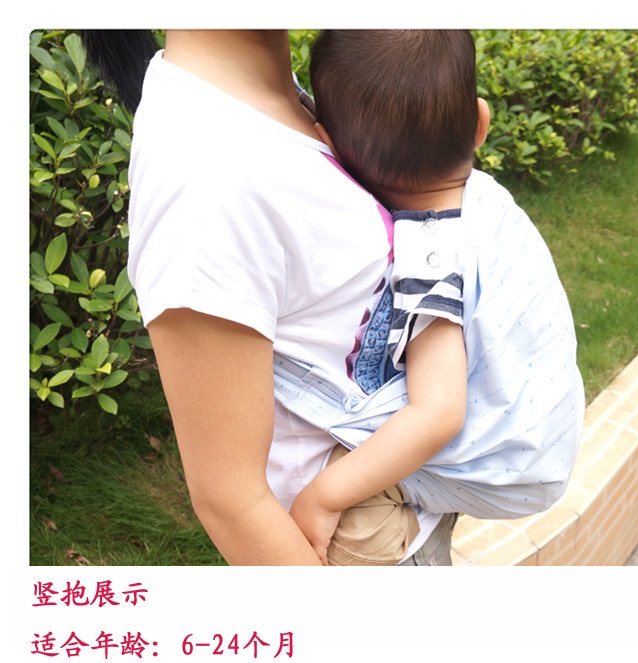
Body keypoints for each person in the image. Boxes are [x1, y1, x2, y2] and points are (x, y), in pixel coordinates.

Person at [80, 29, 453, 565]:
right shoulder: (205, 179)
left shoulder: (265, 87)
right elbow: (232, 501)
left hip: (400, 513)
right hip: (357, 550)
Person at [284, 30, 585, 565]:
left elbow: (439, 411)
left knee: (355, 518)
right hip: (548, 427)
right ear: (480, 123)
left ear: (329, 147)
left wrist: (323, 496)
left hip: (502, 464)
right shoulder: (486, 200)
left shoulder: (429, 256)